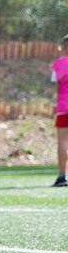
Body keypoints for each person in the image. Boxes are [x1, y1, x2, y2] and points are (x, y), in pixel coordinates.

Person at [51, 34, 68, 187]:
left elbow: (57, 86)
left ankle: (63, 176)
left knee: (63, 141)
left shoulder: (58, 64)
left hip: (64, 106)